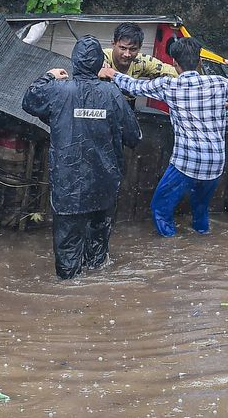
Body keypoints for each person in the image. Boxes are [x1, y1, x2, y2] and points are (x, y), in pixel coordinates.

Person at [100, 37, 228, 236]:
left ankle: (171, 247)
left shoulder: (170, 86)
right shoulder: (220, 83)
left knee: (160, 209)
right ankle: (202, 237)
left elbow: (134, 87)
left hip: (186, 164)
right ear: (199, 62)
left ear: (175, 63)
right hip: (215, 165)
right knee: (200, 211)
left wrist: (111, 73)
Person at [22, 36, 142, 280]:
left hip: (69, 185)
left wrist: (48, 76)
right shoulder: (112, 94)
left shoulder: (57, 90)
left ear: (74, 62)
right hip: (104, 183)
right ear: (99, 62)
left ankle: (69, 293)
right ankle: (96, 289)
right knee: (98, 250)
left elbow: (29, 101)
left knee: (67, 247)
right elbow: (134, 136)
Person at [104, 22, 179, 79]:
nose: (127, 54)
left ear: (139, 48)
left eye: (133, 49)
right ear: (113, 44)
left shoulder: (141, 61)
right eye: (123, 48)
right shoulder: (100, 56)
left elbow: (170, 71)